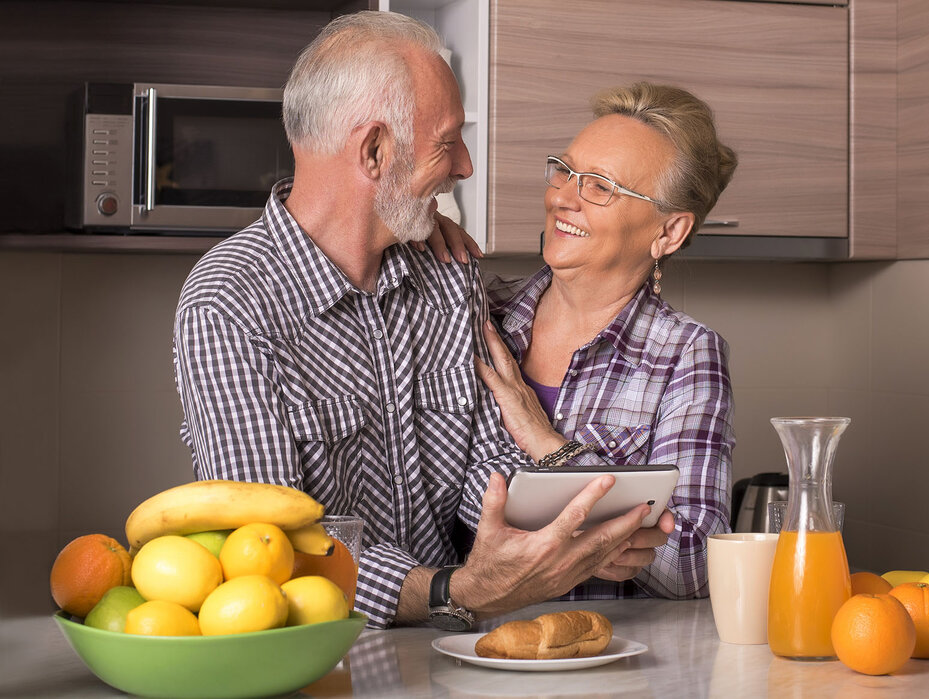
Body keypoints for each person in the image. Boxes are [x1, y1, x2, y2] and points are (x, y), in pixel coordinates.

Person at [171, 11, 669, 630]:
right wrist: (452, 590)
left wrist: (580, 530)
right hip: (325, 656)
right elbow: (267, 547)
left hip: (459, 653)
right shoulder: (231, 303)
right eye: (447, 142)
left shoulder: (446, 274)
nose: (464, 165)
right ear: (375, 151)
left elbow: (492, 473)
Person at [473, 82, 738, 599]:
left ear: (669, 232)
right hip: (462, 645)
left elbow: (696, 563)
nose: (563, 197)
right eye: (565, 171)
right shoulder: (479, 314)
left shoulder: (685, 354)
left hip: (600, 661)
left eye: (600, 186)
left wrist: (549, 447)